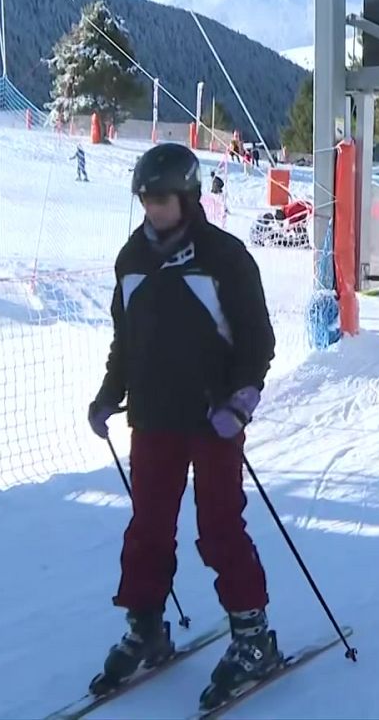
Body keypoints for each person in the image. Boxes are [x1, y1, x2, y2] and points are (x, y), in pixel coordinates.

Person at [85, 142, 283, 702]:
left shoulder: (224, 257)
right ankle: (145, 628)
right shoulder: (131, 261)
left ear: (188, 195)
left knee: (219, 526)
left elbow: (257, 340)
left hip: (212, 416)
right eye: (145, 198)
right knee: (147, 528)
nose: (151, 208)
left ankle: (253, 635)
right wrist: (107, 396)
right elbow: (126, 343)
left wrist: (241, 399)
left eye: (161, 198)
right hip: (152, 418)